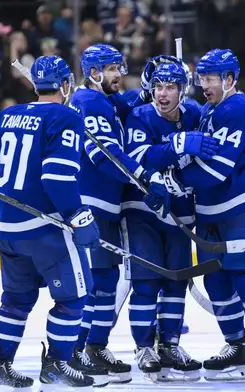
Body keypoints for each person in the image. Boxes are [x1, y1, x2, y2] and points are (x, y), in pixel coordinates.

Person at [164, 48, 245, 383]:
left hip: (242, 207)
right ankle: (237, 345)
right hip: (211, 212)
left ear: (229, 79)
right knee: (217, 280)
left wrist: (175, 179)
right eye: (201, 78)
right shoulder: (212, 109)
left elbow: (218, 168)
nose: (204, 85)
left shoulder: (237, 108)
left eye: (210, 79)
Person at [0, 55, 99, 390]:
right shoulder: (66, 117)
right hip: (46, 231)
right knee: (72, 299)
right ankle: (56, 365)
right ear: (66, 84)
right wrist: (79, 217)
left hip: (8, 230)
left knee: (16, 300)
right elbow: (57, 178)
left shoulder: (9, 115)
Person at [68, 43, 171, 385]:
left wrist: (145, 91)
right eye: (113, 69)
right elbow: (106, 154)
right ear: (94, 73)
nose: (119, 74)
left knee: (107, 281)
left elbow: (122, 103)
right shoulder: (89, 101)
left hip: (105, 206)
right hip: (91, 204)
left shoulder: (101, 100)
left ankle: (95, 346)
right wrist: (144, 177)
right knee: (95, 283)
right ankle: (76, 352)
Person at [122, 61, 217, 381]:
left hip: (180, 215)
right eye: (159, 86)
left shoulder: (196, 115)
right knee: (146, 282)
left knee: (176, 281)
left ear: (182, 90)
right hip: (143, 212)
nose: (163, 94)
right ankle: (144, 347)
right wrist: (178, 145)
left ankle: (170, 345)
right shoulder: (141, 115)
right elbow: (137, 157)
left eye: (170, 87)